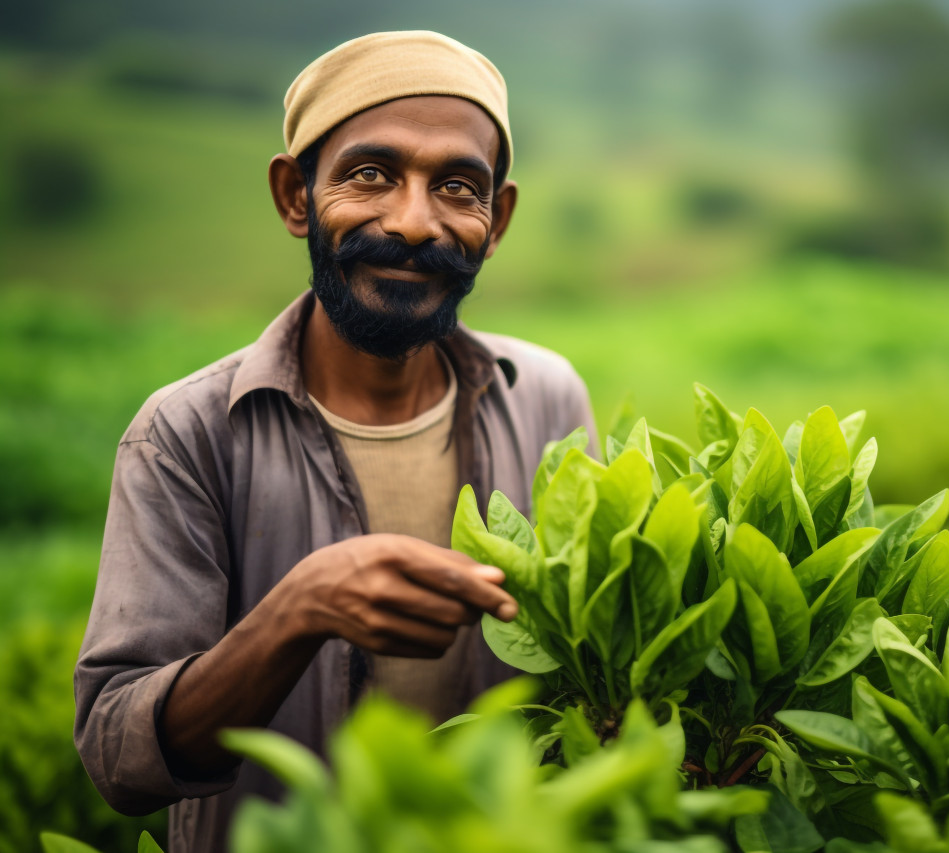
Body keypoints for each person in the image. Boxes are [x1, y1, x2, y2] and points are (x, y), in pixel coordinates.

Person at [74, 32, 597, 853]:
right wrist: (296, 611)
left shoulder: (546, 397)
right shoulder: (188, 433)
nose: (415, 222)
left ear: (495, 221)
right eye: (371, 174)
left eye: (458, 187)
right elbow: (120, 756)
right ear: (295, 196)